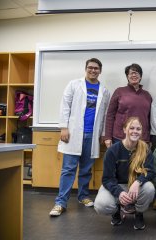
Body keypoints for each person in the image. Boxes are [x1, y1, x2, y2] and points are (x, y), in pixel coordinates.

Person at [49, 58, 111, 216]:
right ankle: (60, 202)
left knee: (86, 169)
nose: (93, 70)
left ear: (100, 71)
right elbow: (65, 105)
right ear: (86, 69)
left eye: (96, 68)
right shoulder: (74, 85)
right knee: (68, 169)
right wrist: (63, 127)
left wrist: (103, 134)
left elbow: (105, 115)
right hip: (73, 133)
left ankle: (83, 196)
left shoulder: (104, 91)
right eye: (90, 67)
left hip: (92, 135)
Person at [94, 117, 155, 230]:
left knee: (149, 188)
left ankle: (139, 213)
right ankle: (116, 211)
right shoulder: (112, 150)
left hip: (135, 186)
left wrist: (138, 182)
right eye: (131, 128)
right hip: (117, 185)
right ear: (124, 129)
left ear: (141, 132)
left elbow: (150, 171)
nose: (135, 131)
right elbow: (107, 179)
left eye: (138, 129)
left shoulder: (145, 149)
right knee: (101, 205)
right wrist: (119, 193)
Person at [104, 63, 152, 147]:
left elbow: (150, 118)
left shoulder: (147, 95)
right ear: (127, 77)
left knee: (139, 160)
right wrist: (108, 137)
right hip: (120, 138)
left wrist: (149, 138)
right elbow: (110, 115)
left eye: (136, 73)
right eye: (131, 73)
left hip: (142, 139)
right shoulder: (119, 91)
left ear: (140, 77)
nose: (134, 75)